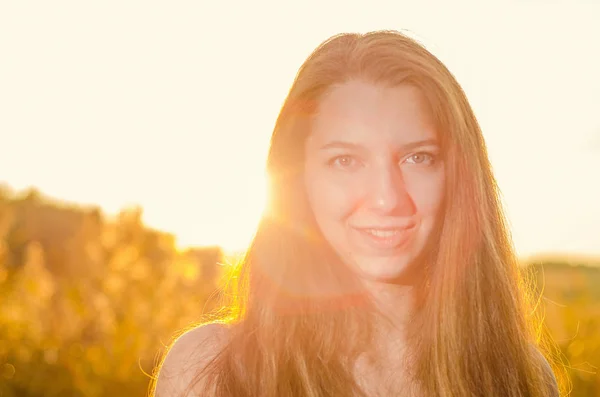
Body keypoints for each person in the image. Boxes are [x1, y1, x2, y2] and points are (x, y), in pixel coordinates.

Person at [152, 30, 560, 397]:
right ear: (298, 178)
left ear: (459, 177)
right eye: (345, 161)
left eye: (418, 157)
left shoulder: (522, 377)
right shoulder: (209, 373)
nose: (386, 199)